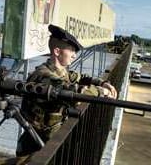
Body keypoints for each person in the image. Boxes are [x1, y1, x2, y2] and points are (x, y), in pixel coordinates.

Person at [16, 24, 117, 157]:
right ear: (57, 52)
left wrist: (102, 82)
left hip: (50, 140)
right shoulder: (43, 75)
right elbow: (73, 93)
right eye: (71, 51)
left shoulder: (60, 71)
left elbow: (80, 78)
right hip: (36, 145)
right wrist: (101, 92)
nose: (74, 55)